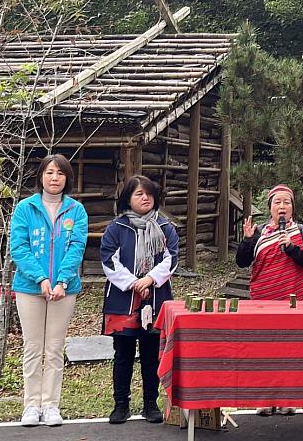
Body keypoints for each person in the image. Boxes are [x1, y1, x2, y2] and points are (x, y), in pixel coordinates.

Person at [10, 154, 88, 427]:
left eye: (60, 173)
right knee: (32, 347)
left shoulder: (76, 210)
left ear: (67, 178)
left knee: (54, 348)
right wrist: (41, 278)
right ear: (40, 176)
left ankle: (51, 404)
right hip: (29, 288)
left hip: (63, 290)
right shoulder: (25, 208)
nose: (54, 178)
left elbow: (77, 248)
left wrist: (61, 281)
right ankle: (31, 404)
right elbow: (18, 248)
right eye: (49, 172)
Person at [101, 175, 179, 425]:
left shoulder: (165, 227)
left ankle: (150, 403)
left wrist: (149, 280)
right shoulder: (116, 227)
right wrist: (134, 282)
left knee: (151, 354)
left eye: (149, 194)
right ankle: (120, 404)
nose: (145, 198)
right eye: (138, 194)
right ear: (128, 199)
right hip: (123, 300)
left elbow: (171, 259)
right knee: (122, 355)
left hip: (155, 299)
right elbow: (108, 259)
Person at [236, 184, 303, 416]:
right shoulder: (259, 231)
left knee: (290, 348)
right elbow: (242, 262)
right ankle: (264, 398)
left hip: (293, 297)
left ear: (293, 207)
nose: (282, 207)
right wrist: (247, 240)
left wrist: (291, 248)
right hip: (263, 297)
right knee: (263, 348)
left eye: (286, 202)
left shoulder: (302, 231)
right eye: (277, 202)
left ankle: (287, 398)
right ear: (270, 207)